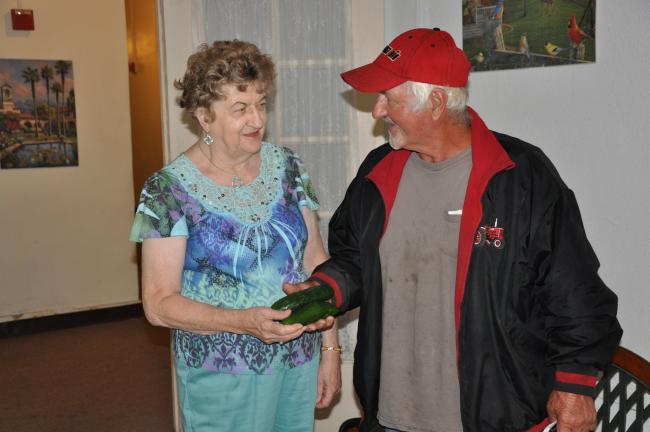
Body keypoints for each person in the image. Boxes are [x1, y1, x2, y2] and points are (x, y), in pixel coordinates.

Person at [286, 28, 621, 432]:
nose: (377, 111)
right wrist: (324, 289)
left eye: (387, 97)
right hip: (392, 417)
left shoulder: (521, 177)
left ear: (436, 102)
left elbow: (575, 289)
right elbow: (354, 259)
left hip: (494, 417)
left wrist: (575, 383)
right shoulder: (379, 171)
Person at [129, 40, 340, 431]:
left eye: (261, 104)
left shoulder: (288, 166)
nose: (257, 119)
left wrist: (330, 350)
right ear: (204, 116)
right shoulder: (167, 191)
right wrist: (243, 321)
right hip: (222, 376)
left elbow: (316, 261)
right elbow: (158, 305)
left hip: (298, 364)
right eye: (240, 109)